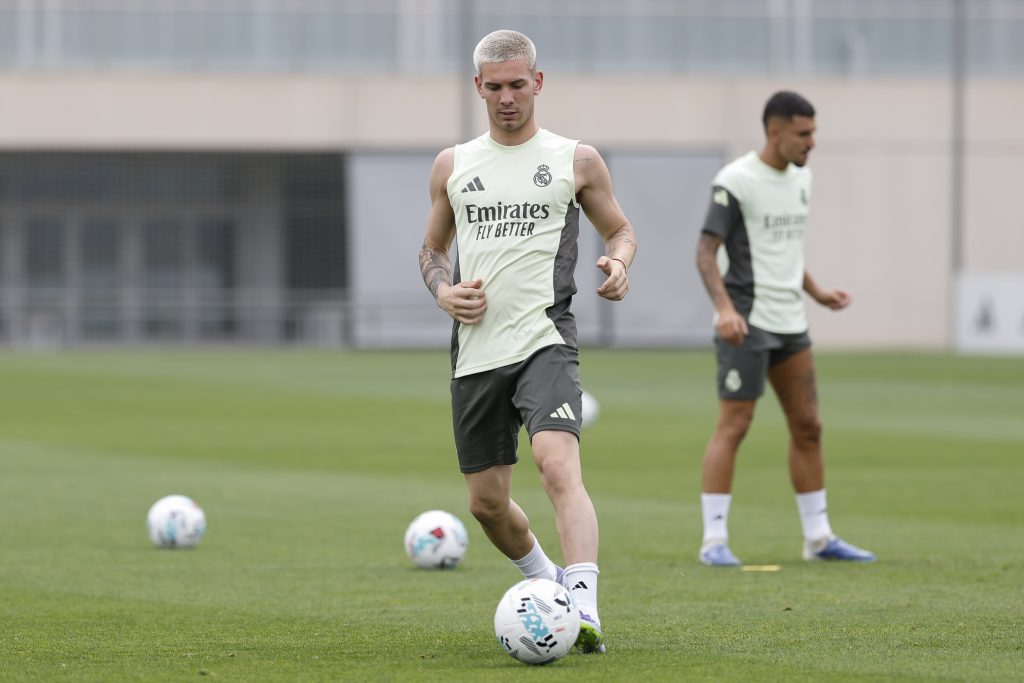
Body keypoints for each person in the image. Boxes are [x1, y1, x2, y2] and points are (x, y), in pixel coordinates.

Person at [418, 29, 636, 653]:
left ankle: (584, 611)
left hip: (546, 339)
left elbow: (621, 230)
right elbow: (432, 249)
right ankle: (548, 582)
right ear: (478, 88)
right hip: (476, 352)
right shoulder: (453, 165)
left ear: (537, 82)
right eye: (495, 87)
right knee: (487, 504)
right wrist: (443, 291)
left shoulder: (576, 160)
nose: (507, 97)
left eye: (518, 84)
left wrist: (620, 263)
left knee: (556, 465)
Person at [694, 91, 874, 567]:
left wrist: (817, 292)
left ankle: (818, 538)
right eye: (803, 133)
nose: (811, 142)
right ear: (774, 132)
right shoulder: (735, 180)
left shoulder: (802, 178)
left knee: (809, 426)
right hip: (745, 322)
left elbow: (784, 251)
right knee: (735, 425)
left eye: (813, 133)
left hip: (791, 323)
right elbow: (705, 252)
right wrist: (724, 309)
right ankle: (714, 541)